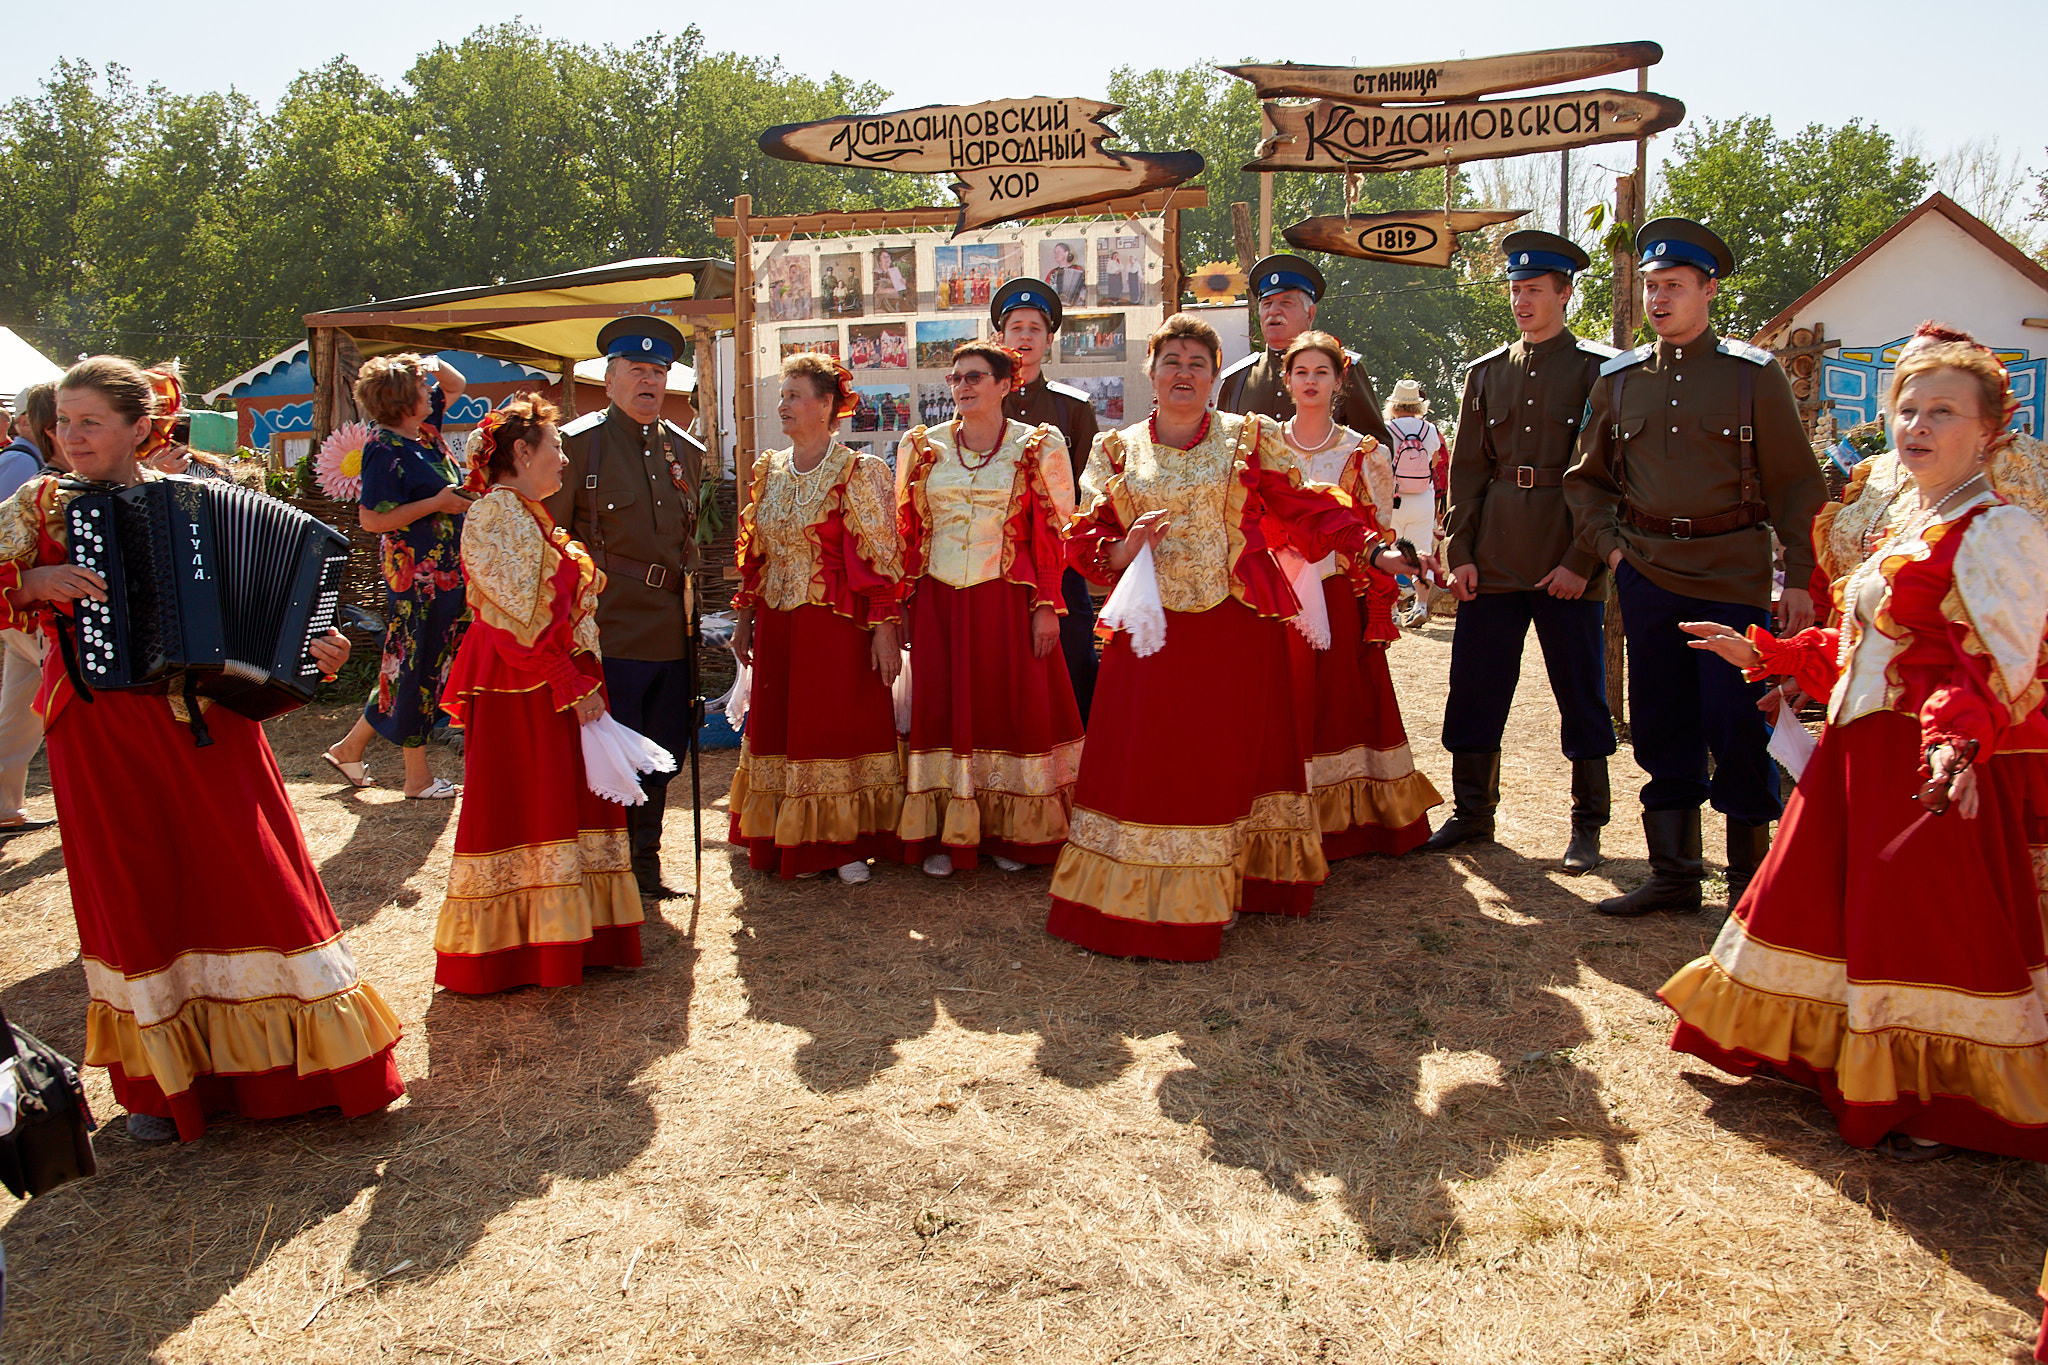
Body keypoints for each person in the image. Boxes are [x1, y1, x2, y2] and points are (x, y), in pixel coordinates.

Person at [1664, 330, 2048, 1163]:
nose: (1916, 424)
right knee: (1830, 910)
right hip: (1856, 751)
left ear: (1990, 428)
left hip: (1919, 766)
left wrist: (1951, 742)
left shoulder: (2001, 531)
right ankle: (1840, 1055)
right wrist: (1765, 653)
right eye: (1907, 407)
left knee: (1922, 929)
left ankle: (1933, 1094)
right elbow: (1862, 643)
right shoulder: (1910, 518)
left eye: (1942, 411)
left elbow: (1991, 668)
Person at [0, 355, 401, 1142]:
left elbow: (273, 626)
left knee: (251, 876)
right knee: (134, 892)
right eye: (63, 422)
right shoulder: (34, 506)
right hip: (97, 729)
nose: (70, 436)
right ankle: (161, 1084)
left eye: (90, 422)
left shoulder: (204, 501)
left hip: (209, 728)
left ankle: (303, 1067)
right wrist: (30, 585)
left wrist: (307, 652)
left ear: (139, 427)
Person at [1049, 315, 1425, 962]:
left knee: (1219, 758)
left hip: (1234, 626)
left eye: (1198, 361)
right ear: (1153, 372)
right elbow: (1083, 536)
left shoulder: (1248, 438)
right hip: (1149, 630)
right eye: (1172, 360)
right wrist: (1122, 548)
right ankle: (1137, 892)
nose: (1184, 372)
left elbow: (1305, 501)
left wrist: (1371, 546)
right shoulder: (1116, 450)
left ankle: (1220, 887)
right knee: (1150, 756)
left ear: (1214, 374)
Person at [1563, 218, 1826, 915]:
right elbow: (1584, 481)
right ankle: (1674, 875)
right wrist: (1615, 553)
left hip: (1734, 575)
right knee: (1659, 721)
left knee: (1738, 725)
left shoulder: (1752, 377)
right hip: (1647, 573)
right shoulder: (1618, 382)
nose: (1659, 298)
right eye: (1652, 286)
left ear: (1708, 290)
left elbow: (1799, 486)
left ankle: (1749, 888)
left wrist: (1798, 577)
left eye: (1673, 286)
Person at [434, 396, 641, 992]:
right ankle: (520, 948)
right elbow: (514, 617)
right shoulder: (497, 514)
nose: (563, 458)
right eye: (555, 447)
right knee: (530, 799)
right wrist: (567, 681)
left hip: (546, 677)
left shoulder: (530, 515)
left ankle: (572, 935)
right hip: (520, 682)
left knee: (560, 799)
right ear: (521, 453)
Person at [1433, 231, 1619, 871]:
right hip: (1495, 556)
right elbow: (1467, 471)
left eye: (1534, 290)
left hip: (1567, 558)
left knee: (1580, 692)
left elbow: (1611, 475)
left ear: (1565, 293)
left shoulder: (1600, 371)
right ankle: (1471, 814)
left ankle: (1587, 824)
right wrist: (1460, 551)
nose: (1521, 301)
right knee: (1475, 687)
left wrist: (1582, 561)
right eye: (1514, 289)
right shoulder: (1486, 373)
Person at [895, 341, 1082, 877]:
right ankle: (943, 830)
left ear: (1007, 384)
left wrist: (1046, 602)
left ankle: (1012, 830)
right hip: (937, 596)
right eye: (955, 378)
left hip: (1006, 596)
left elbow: (1055, 531)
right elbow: (906, 529)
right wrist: (903, 600)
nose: (963, 386)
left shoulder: (1039, 446)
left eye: (976, 377)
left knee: (1008, 705)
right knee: (942, 705)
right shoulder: (921, 445)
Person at [543, 317, 705, 898]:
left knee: (663, 748)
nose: (649, 381)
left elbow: (687, 544)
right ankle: (599, 871)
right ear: (608, 379)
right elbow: (552, 543)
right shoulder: (575, 446)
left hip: (669, 628)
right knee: (609, 751)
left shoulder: (686, 452)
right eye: (635, 370)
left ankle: (644, 866)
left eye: (658, 371)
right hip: (607, 631)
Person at [729, 354, 906, 883]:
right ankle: (789, 838)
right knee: (783, 731)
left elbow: (882, 558)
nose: (782, 405)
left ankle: (843, 843)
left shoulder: (859, 470)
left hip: (836, 628)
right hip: (781, 627)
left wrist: (884, 630)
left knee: (833, 730)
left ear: (827, 405)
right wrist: (744, 622)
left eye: (794, 395)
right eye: (782, 395)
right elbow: (755, 554)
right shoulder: (770, 470)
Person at [1278, 332, 1442, 858]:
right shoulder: (1262, 444)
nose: (1310, 381)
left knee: (1341, 702)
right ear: (1286, 380)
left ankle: (1347, 820)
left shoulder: (1364, 452)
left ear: (1339, 380)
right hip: (1275, 594)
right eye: (1300, 371)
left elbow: (1379, 529)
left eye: (1320, 372)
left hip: (1337, 593)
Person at [323, 352, 471, 799]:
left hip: (447, 574)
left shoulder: (424, 433)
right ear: (405, 402)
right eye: (422, 388)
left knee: (404, 668)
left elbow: (456, 383)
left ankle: (348, 749)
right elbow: (371, 520)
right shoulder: (382, 449)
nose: (431, 391)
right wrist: (438, 503)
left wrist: (426, 361)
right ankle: (417, 777)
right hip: (416, 583)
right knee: (414, 669)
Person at [993, 276, 1102, 722]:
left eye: (1034, 329)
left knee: (1072, 652)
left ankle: (1079, 750)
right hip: (995, 555)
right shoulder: (982, 400)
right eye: (1016, 327)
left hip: (1058, 557)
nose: (1024, 337)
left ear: (1050, 340)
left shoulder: (1072, 408)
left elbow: (1087, 485)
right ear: (1000, 337)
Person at [1216, 253, 1395, 453]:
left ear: (1310, 314)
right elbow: (1220, 451)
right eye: (1267, 304)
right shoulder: (1238, 378)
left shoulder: (1343, 369)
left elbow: (1378, 451)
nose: (1274, 311)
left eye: (1286, 303)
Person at [0, 385, 53, 838]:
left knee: (19, 711)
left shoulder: (24, 464)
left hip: (29, 616)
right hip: (36, 617)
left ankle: (3, 806)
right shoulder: (25, 468)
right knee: (44, 707)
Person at [1382, 378, 1445, 627]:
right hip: (1422, 498)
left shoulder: (1386, 428)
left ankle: (1393, 610)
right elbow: (1434, 460)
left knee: (1390, 551)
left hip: (1393, 497)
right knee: (1422, 553)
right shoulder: (1429, 429)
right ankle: (1420, 605)